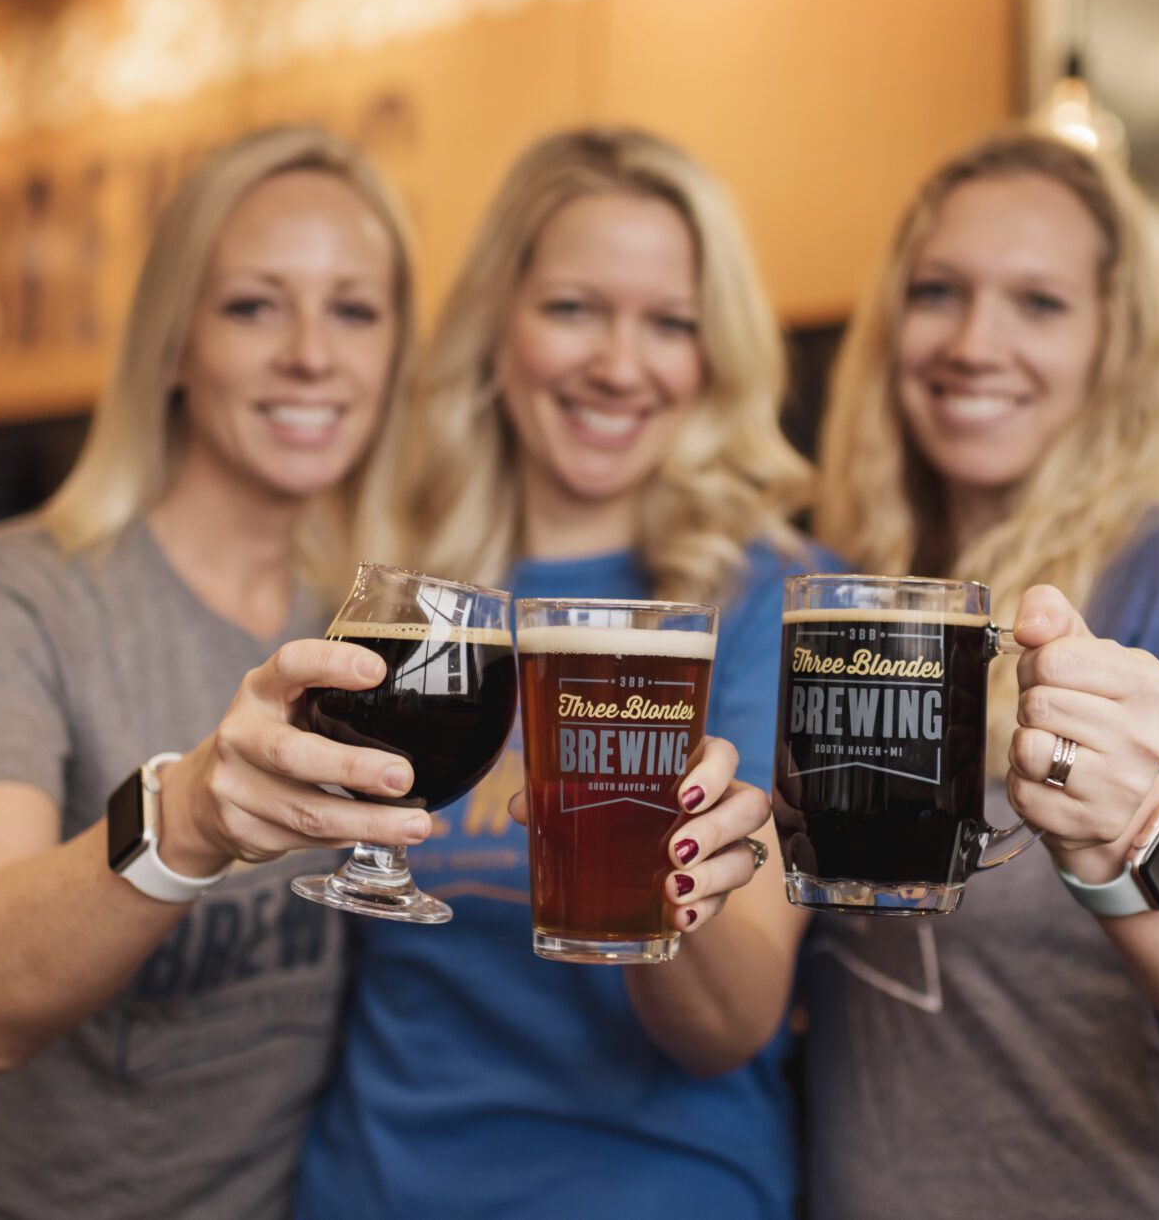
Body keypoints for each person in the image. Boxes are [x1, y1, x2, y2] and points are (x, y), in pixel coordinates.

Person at [801, 130, 1159, 1216]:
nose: (976, 341)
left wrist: (1132, 840)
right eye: (938, 291)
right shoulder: (849, 601)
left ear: (1112, 343)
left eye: (1038, 303)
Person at [0, 126, 442, 1218]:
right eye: (252, 305)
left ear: (392, 357)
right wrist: (184, 816)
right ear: (174, 345)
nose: (311, 355)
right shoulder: (12, 597)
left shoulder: (378, 632)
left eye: (353, 310)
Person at [292, 127, 822, 1220]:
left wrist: (630, 840)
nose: (619, 365)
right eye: (573, 308)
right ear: (497, 325)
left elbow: (730, 1025)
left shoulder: (773, 603)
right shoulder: (394, 594)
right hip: (367, 1191)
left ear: (710, 357)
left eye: (668, 323)